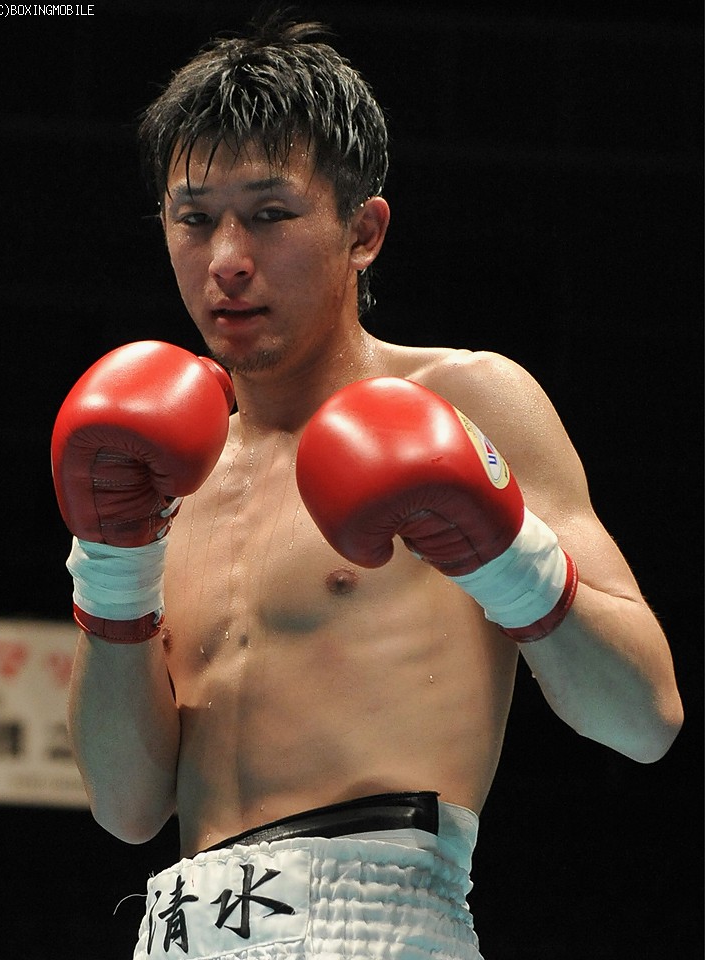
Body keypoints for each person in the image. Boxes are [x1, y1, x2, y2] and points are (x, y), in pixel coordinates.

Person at [53, 13, 684, 960]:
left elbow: (646, 719)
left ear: (364, 231)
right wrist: (110, 563)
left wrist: (503, 555)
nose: (227, 257)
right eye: (195, 218)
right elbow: (127, 808)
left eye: (270, 214)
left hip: (378, 921)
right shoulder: (163, 471)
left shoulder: (467, 399)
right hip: (180, 930)